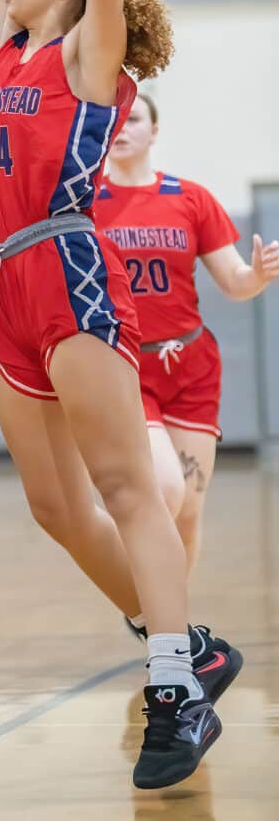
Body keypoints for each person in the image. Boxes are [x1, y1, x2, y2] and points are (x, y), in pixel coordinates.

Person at [0, 0, 239, 789]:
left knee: (128, 489)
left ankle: (176, 688)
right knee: (51, 506)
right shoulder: (8, 39)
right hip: (1, 283)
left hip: (69, 265)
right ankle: (191, 643)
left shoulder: (87, 56)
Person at [95, 92, 279, 580]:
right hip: (129, 369)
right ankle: (149, 612)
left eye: (133, 118)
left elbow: (235, 281)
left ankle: (176, 628)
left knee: (190, 513)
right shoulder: (87, 205)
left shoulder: (190, 198)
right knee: (167, 492)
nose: (123, 127)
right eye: (115, 120)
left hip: (192, 367)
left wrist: (257, 276)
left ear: (154, 131)